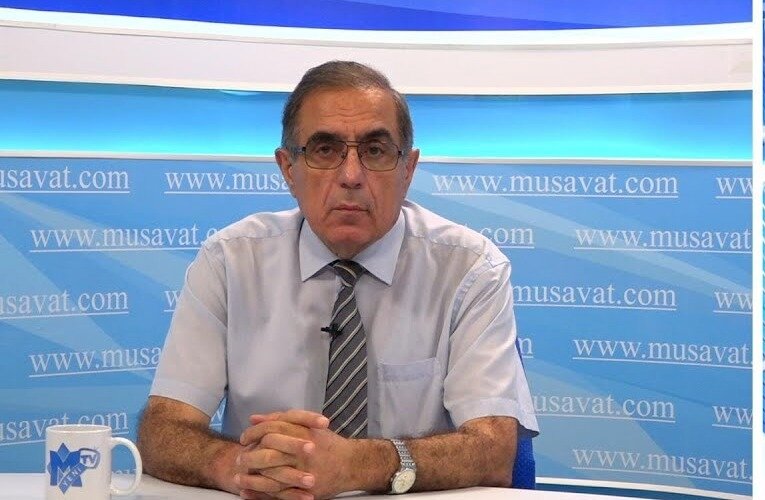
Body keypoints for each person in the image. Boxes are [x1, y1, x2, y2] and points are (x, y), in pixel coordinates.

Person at [137, 60, 538, 500]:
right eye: (325, 150)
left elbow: (494, 451)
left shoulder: (471, 269)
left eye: (375, 151)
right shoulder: (230, 261)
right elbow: (163, 431)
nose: (351, 176)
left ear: (408, 170)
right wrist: (236, 466)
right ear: (288, 168)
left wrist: (356, 465)